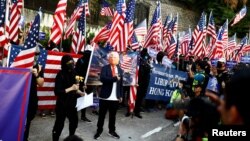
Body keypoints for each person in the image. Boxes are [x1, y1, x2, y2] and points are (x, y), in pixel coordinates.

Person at [52, 55, 85, 141]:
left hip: (72, 103)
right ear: (64, 63)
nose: (71, 64)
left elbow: (76, 88)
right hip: (62, 104)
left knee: (74, 123)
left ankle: (71, 138)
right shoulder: (60, 74)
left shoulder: (74, 73)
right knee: (59, 124)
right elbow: (57, 91)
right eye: (69, 62)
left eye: (72, 62)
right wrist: (71, 88)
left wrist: (81, 92)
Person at [94, 51, 123, 140]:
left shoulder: (120, 70)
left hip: (115, 97)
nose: (112, 58)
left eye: (114, 57)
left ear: (118, 59)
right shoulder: (105, 68)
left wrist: (120, 95)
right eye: (111, 57)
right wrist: (114, 78)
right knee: (101, 115)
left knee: (113, 116)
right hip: (105, 96)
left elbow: (121, 84)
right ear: (109, 59)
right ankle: (99, 131)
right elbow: (103, 79)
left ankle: (112, 131)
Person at [23, 57, 44, 141]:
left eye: (37, 54)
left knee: (28, 121)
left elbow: (41, 83)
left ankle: (25, 138)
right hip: (19, 97)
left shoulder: (38, 67)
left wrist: (36, 75)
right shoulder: (21, 63)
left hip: (31, 97)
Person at [75, 50, 92, 122]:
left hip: (88, 82)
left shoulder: (91, 61)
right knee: (78, 98)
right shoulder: (80, 60)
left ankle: (83, 115)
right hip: (81, 81)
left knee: (85, 98)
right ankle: (74, 114)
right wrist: (80, 83)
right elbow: (77, 72)